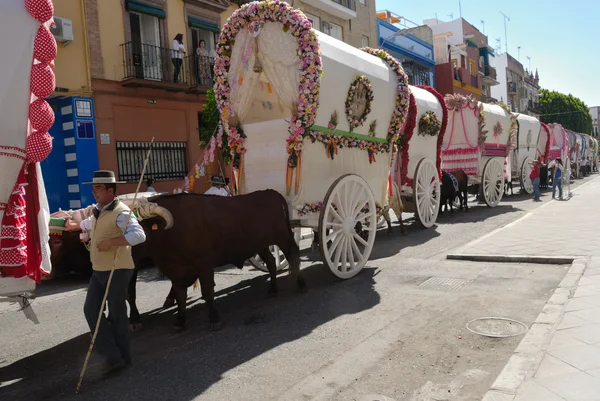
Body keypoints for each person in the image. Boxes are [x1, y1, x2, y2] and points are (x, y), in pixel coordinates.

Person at [65, 170, 146, 376]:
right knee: (91, 310)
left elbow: (139, 235)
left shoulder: (122, 212)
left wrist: (111, 242)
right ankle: (113, 355)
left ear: (111, 191)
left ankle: (121, 359)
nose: (94, 192)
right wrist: (79, 229)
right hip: (99, 270)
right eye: (93, 188)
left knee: (118, 315)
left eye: (98, 188)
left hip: (118, 270)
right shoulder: (97, 211)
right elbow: (90, 225)